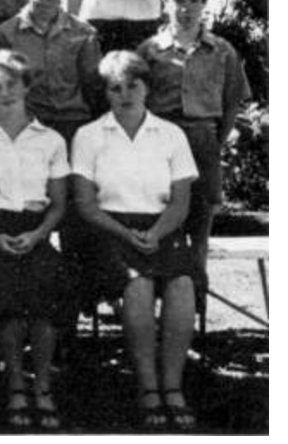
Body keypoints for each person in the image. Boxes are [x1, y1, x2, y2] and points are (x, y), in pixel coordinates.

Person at [71, 51, 199, 431]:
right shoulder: (89, 135)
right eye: (115, 88)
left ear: (147, 88)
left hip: (163, 226)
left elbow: (181, 202)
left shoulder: (171, 134)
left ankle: (172, 386)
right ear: (106, 93)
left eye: (133, 85)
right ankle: (147, 388)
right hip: (110, 229)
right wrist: (127, 233)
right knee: (138, 285)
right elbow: (85, 203)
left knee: (182, 285)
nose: (125, 94)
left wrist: (157, 232)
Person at [0, 50, 73, 430]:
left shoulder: (51, 140)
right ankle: (16, 384)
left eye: (10, 85)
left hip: (36, 231)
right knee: (5, 292)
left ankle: (43, 385)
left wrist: (38, 235)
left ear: (25, 86)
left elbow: (58, 204)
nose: (4, 93)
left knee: (45, 294)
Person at [0, 0, 103, 317]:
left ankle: (71, 312)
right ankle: (21, 306)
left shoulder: (84, 34)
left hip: (73, 131)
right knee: (26, 215)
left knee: (75, 221)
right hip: (28, 134)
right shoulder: (6, 33)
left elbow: (94, 89)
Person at [137, 0, 250, 303]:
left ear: (204, 4)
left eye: (194, 1)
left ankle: (195, 314)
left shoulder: (222, 51)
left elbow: (232, 102)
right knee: (160, 225)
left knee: (199, 230)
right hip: (159, 148)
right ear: (165, 2)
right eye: (179, 0)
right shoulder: (149, 51)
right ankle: (157, 312)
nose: (186, 9)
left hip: (203, 144)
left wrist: (214, 140)